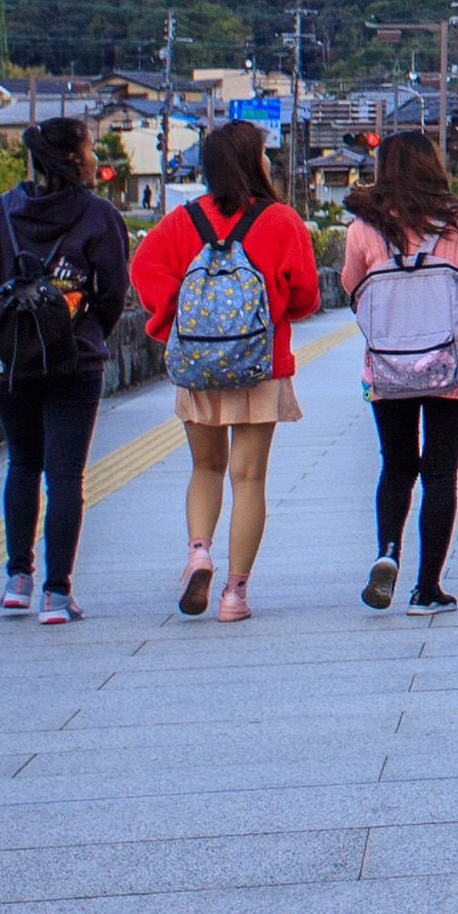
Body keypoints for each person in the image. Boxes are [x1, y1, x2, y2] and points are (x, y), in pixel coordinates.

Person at [130, 122, 322, 621]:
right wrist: (268, 312)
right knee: (249, 477)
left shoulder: (181, 222)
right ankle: (234, 596)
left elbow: (143, 268)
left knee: (205, 467)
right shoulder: (281, 221)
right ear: (253, 161)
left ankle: (198, 552)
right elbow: (305, 296)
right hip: (260, 367)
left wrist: (176, 317)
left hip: (198, 368)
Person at [342, 130, 458, 611]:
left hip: (386, 368)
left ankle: (387, 553)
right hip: (451, 366)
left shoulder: (365, 226)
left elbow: (350, 287)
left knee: (396, 467)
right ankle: (428, 587)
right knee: (440, 472)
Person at [0, 116, 132, 625]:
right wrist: (85, 335)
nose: (95, 157)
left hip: (12, 359)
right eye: (90, 149)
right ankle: (57, 594)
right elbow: (113, 295)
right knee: (65, 474)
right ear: (72, 160)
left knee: (21, 463)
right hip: (73, 360)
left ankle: (16, 579)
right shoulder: (99, 216)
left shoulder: (2, 212)